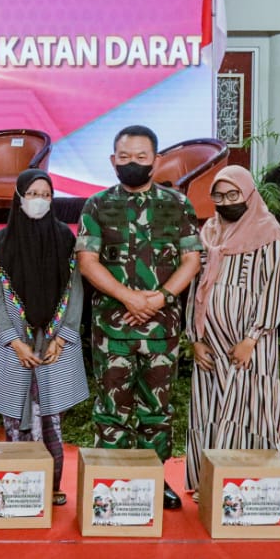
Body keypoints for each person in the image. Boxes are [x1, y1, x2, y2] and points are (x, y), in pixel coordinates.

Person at [76, 124, 203, 510]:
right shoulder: (97, 205)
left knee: (157, 411)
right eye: (125, 157)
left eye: (141, 157)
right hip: (112, 329)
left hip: (161, 329)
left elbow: (191, 260)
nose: (133, 163)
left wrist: (160, 298)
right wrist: (129, 298)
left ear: (156, 160)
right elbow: (87, 262)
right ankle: (111, 482)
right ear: (113, 161)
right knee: (112, 409)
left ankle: (154, 479)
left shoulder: (177, 205)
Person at [0, 169, 86, 506]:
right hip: (15, 345)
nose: (39, 201)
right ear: (18, 197)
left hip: (54, 343)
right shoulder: (1, 243)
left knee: (51, 418)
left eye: (45, 195)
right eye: (32, 194)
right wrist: (15, 340)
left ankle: (52, 484)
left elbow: (75, 290)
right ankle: (19, 484)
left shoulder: (65, 238)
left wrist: (62, 337)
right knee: (15, 416)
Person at [186, 166, 280, 495]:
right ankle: (210, 483)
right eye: (219, 195)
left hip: (249, 345)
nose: (226, 201)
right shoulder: (209, 233)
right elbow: (195, 288)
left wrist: (252, 338)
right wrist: (195, 339)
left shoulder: (268, 232)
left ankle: (251, 486)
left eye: (234, 195)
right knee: (212, 407)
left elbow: (272, 289)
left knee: (250, 408)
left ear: (248, 194)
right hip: (211, 344)